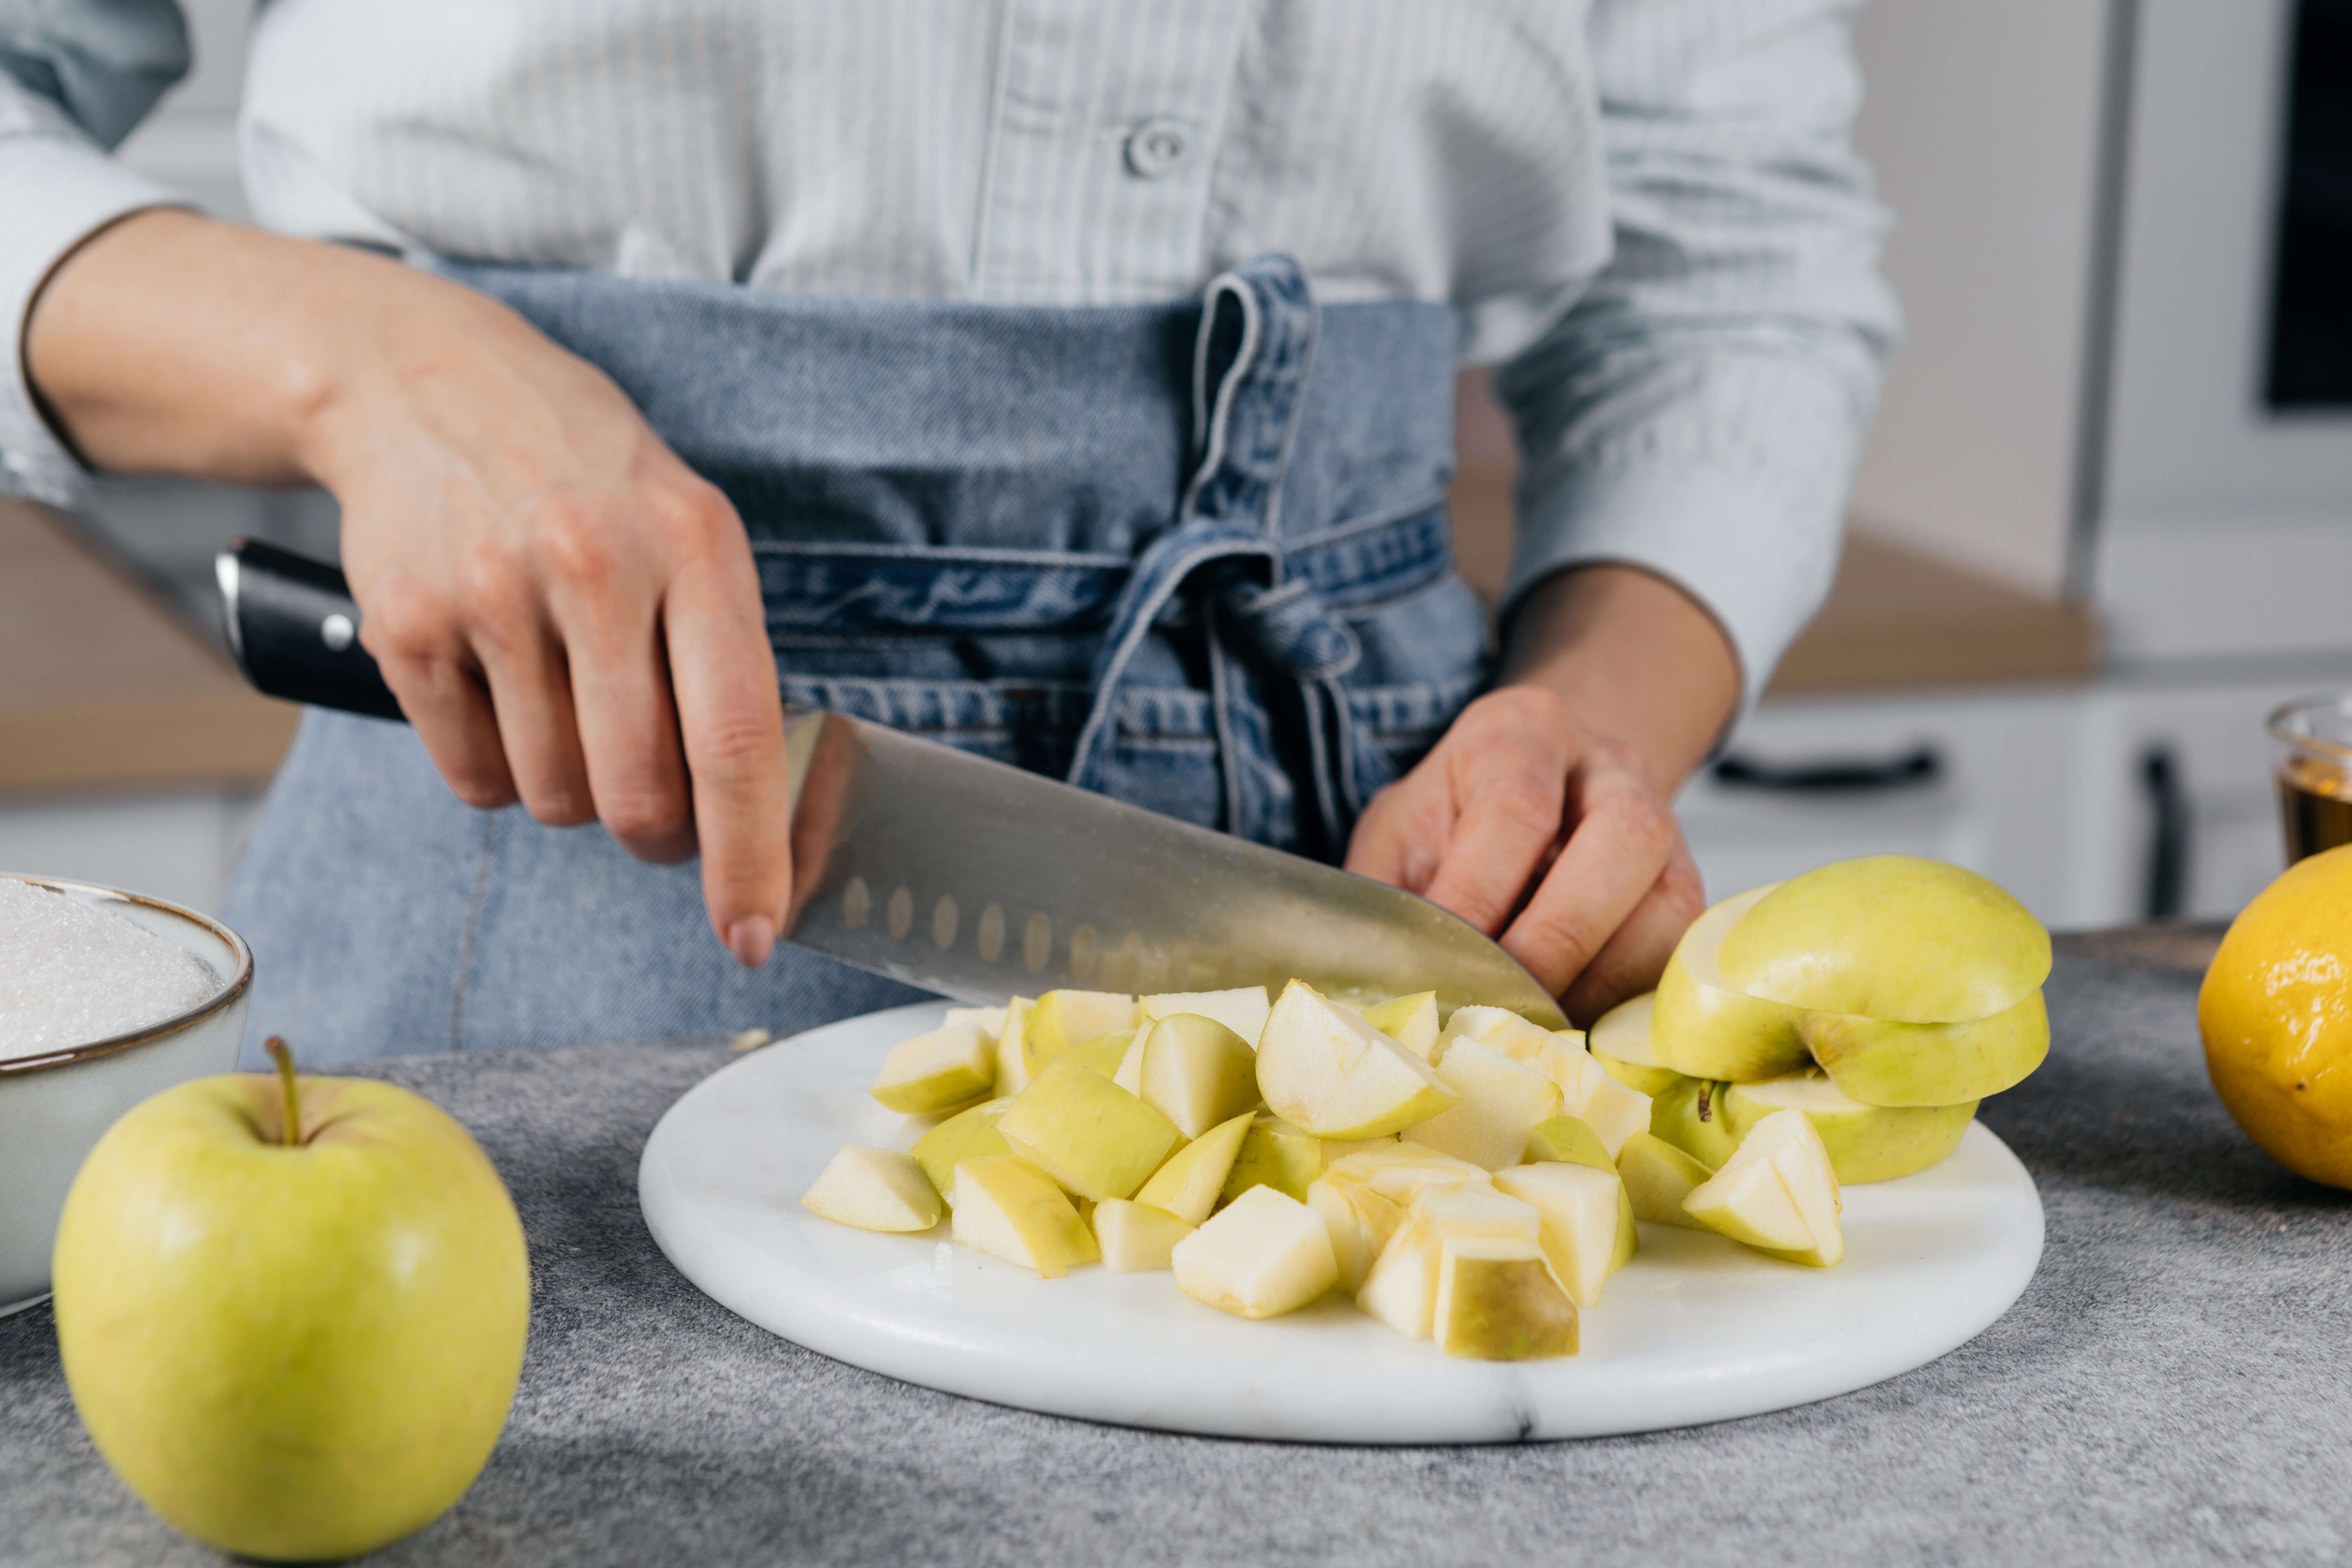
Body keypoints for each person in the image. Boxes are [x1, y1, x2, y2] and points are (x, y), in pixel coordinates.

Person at [2, 2, 1896, 1061]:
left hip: (1391, 852)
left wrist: (1597, 718)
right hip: (554, 786)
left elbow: (1728, 268)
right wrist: (366, 363)